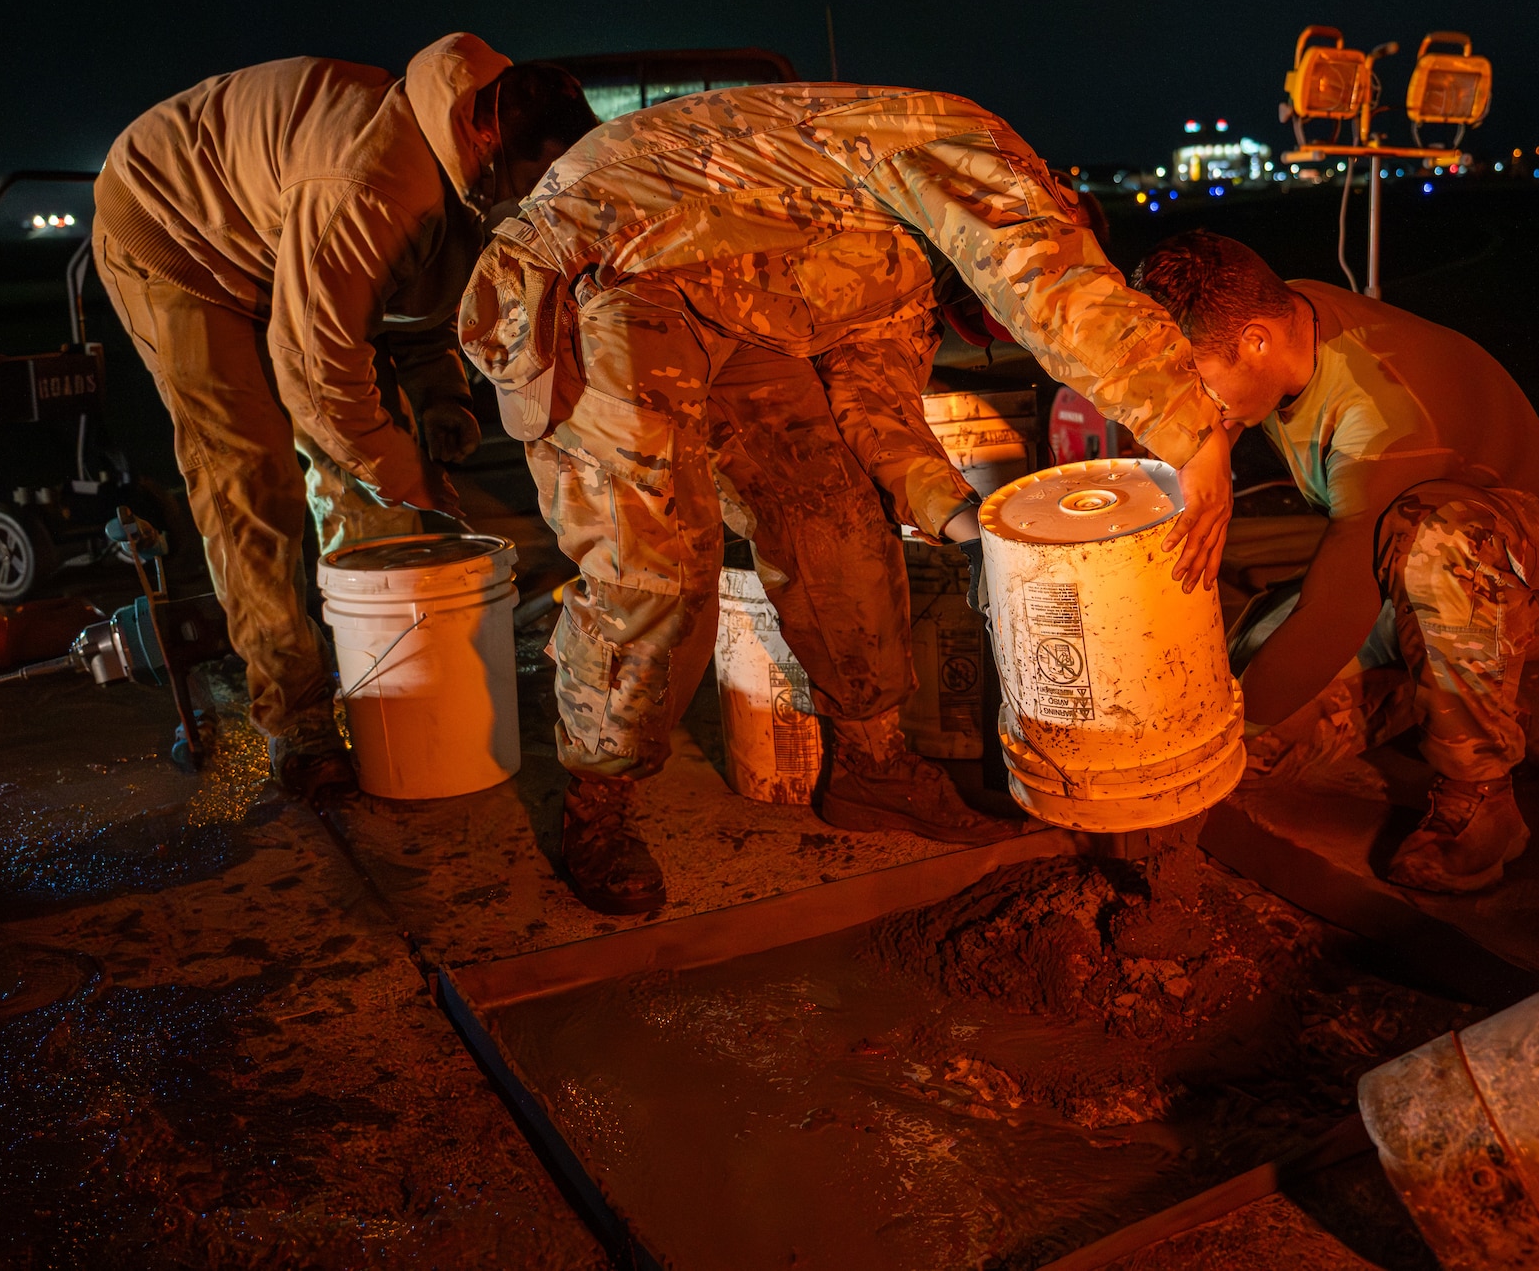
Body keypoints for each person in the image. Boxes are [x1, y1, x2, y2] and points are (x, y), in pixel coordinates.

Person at [459, 83, 1232, 914]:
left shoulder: (901, 267)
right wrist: (1195, 431)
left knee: (838, 520)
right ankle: (597, 800)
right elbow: (1043, 278)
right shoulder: (961, 143)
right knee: (658, 562)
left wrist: (974, 533)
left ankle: (871, 764)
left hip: (741, 310)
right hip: (607, 263)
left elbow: (879, 414)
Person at [92, 35, 598, 795]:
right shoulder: (372, 181)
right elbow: (316, 375)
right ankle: (292, 713)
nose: (540, 199)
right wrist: (411, 480)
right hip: (178, 234)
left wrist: (439, 397)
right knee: (250, 471)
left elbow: (413, 294)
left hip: (281, 243)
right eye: (537, 181)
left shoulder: (468, 153)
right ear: (495, 144)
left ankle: (380, 678)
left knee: (367, 464)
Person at [1133, 231, 1539, 893]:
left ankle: (1482, 798)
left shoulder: (1383, 415)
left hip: (1533, 574)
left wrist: (1217, 735)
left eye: (1199, 383)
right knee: (1255, 747)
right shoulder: (1284, 318)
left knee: (1430, 541)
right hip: (1397, 575)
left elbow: (1337, 609)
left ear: (1254, 341)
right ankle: (1447, 688)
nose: (1197, 401)